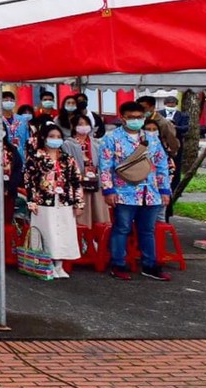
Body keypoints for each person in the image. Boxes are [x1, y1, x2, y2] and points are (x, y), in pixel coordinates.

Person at [98, 101, 174, 281]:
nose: (136, 120)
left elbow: (161, 164)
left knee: (147, 230)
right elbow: (105, 166)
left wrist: (165, 189)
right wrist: (108, 191)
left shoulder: (151, 138)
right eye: (131, 117)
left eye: (139, 117)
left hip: (151, 192)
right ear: (122, 118)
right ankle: (118, 264)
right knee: (122, 228)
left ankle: (150, 265)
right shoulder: (111, 138)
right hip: (124, 192)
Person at [25, 124, 83, 278]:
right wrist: (32, 201)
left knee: (63, 232)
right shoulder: (35, 158)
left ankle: (59, 265)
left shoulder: (67, 159)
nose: (55, 140)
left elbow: (76, 181)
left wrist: (79, 203)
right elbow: (29, 181)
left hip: (64, 200)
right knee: (47, 232)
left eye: (58, 137)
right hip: (43, 201)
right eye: (52, 136)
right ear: (44, 138)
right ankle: (46, 264)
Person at [68, 113, 108, 228]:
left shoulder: (97, 143)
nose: (84, 126)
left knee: (99, 215)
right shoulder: (68, 144)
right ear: (74, 126)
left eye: (86, 124)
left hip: (95, 182)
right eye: (80, 124)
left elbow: (104, 162)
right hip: (79, 184)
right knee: (82, 217)